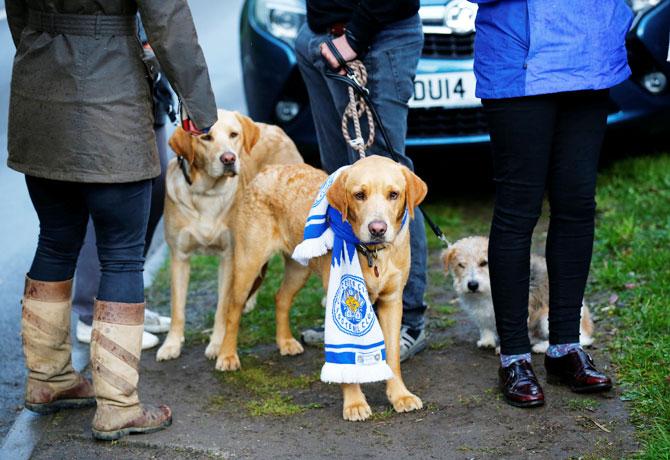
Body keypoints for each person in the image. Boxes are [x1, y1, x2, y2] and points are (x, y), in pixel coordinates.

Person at [6, 0, 217, 440]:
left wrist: (43, 49)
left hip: (41, 91)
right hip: (112, 99)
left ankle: (49, 380)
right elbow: (167, 18)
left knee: (56, 239)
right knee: (122, 256)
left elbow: (17, 11)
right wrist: (199, 105)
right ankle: (118, 406)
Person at [471, 0, 632, 407]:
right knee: (518, 209)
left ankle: (564, 347)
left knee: (576, 203)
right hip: (518, 60)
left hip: (591, 55)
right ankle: (514, 356)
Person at [295, 0, 429, 361]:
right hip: (318, 37)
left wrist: (354, 36)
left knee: (390, 181)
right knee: (340, 181)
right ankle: (352, 311)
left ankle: (406, 318)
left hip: (374, 38)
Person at [73, 22, 175, 350]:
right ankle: (93, 314)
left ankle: (126, 305)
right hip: (111, 72)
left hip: (149, 71)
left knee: (153, 188)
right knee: (110, 195)